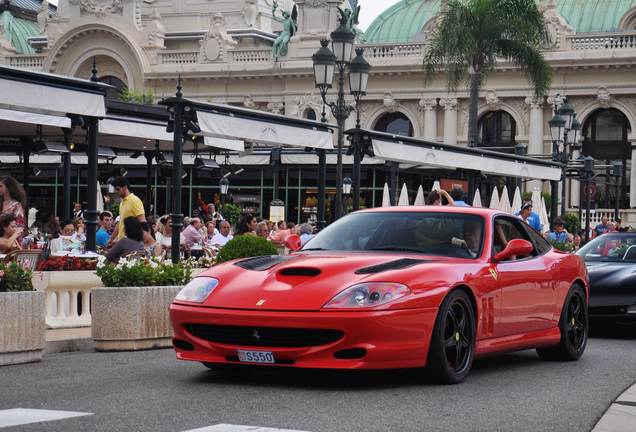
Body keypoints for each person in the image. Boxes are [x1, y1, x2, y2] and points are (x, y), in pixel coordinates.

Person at [107, 176, 145, 246]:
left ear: (125, 187)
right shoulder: (122, 203)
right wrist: (111, 239)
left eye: (118, 189)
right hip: (123, 242)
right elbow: (120, 223)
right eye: (115, 189)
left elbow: (142, 222)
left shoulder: (134, 200)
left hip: (131, 242)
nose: (116, 192)